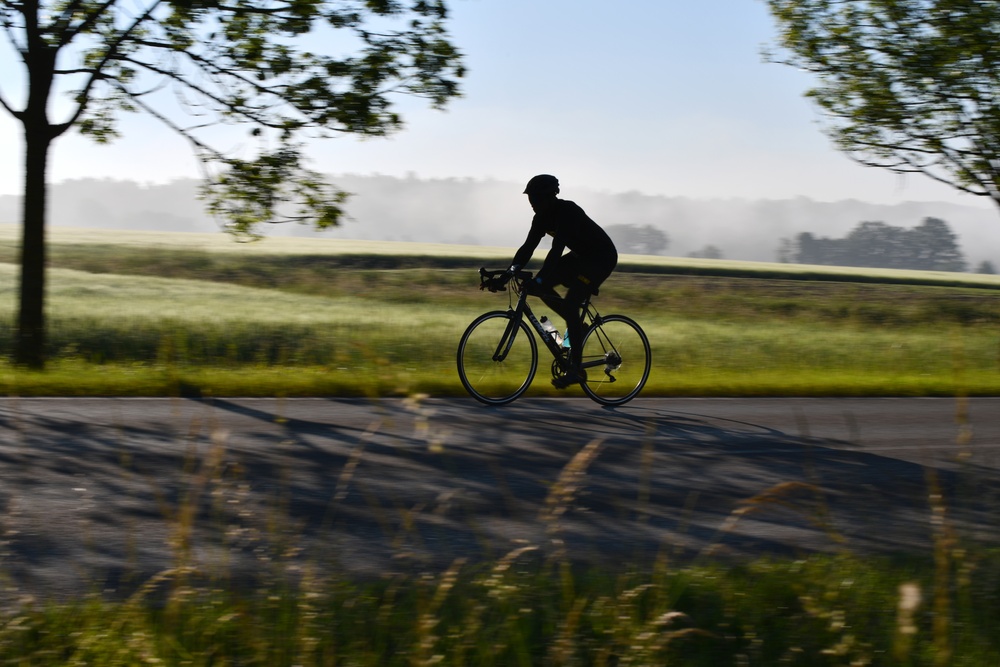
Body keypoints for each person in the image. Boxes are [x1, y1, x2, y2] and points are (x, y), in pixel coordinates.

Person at [505, 174, 618, 388]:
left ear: (549, 197)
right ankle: (577, 327)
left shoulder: (568, 212)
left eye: (536, 199)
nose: (532, 204)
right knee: (543, 287)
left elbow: (556, 251)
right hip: (581, 257)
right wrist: (507, 273)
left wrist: (537, 279)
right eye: (530, 199)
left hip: (600, 259)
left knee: (570, 302)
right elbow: (527, 247)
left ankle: (576, 371)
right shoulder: (540, 217)